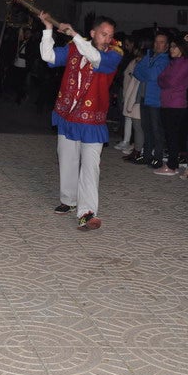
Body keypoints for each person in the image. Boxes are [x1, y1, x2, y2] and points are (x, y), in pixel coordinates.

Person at [38, 12, 121, 231]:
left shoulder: (114, 55)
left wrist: (74, 34)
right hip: (67, 115)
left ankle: (87, 212)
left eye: (110, 35)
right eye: (103, 34)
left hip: (92, 121)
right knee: (67, 159)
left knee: (90, 167)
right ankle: (68, 200)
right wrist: (48, 30)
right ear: (93, 33)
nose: (107, 39)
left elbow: (95, 58)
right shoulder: (74, 48)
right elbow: (49, 57)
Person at [154, 36, 188, 176]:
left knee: (173, 136)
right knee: (169, 135)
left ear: (182, 48)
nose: (171, 49)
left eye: (174, 47)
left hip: (176, 104)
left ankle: (172, 165)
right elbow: (160, 79)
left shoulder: (186, 63)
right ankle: (173, 163)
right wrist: (165, 81)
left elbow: (170, 81)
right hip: (167, 101)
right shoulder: (173, 62)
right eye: (171, 47)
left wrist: (165, 81)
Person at [133, 32, 170, 169]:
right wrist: (147, 72)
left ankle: (158, 157)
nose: (157, 44)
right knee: (146, 128)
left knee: (156, 130)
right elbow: (136, 72)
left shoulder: (165, 59)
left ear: (166, 46)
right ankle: (147, 155)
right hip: (144, 96)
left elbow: (153, 75)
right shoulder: (149, 55)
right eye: (156, 41)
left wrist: (146, 71)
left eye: (161, 42)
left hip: (155, 100)